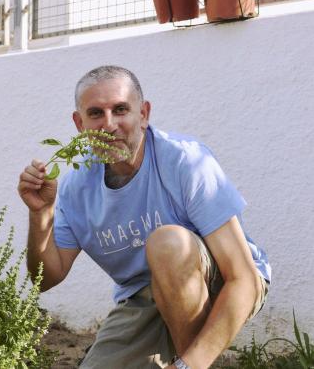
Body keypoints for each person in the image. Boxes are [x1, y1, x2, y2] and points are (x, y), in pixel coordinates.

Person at [18, 65, 271, 369]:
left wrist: (187, 366)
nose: (109, 125)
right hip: (144, 298)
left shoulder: (185, 161)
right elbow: (45, 278)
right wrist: (40, 213)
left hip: (222, 282)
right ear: (79, 123)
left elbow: (243, 279)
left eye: (121, 109)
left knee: (168, 243)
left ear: (144, 114)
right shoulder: (76, 187)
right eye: (96, 113)